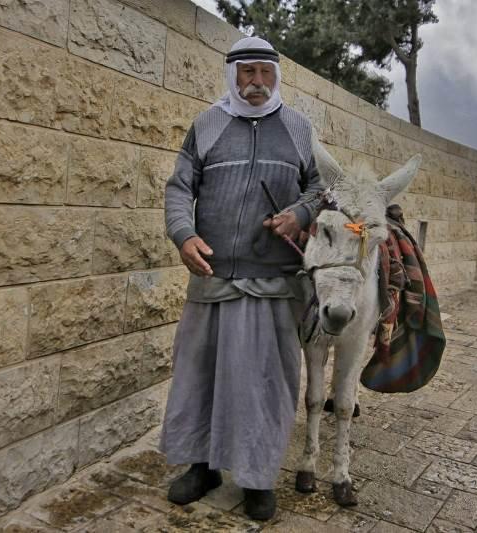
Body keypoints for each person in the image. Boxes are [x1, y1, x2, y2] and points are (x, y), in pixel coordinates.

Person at [160, 36, 324, 521]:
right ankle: (202, 466)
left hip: (273, 286)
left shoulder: (298, 128)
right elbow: (178, 187)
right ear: (232, 75)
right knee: (200, 378)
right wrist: (183, 234)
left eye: (265, 73)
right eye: (247, 73)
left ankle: (257, 478)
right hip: (212, 281)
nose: (256, 83)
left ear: (276, 76)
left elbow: (319, 186)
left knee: (264, 383)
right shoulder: (206, 125)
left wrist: (299, 211)